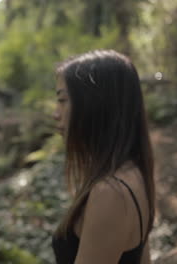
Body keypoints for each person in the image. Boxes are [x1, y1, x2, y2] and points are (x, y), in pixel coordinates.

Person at [51, 50, 154, 264]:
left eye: (63, 100)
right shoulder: (132, 172)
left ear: (94, 105)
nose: (56, 113)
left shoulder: (111, 193)